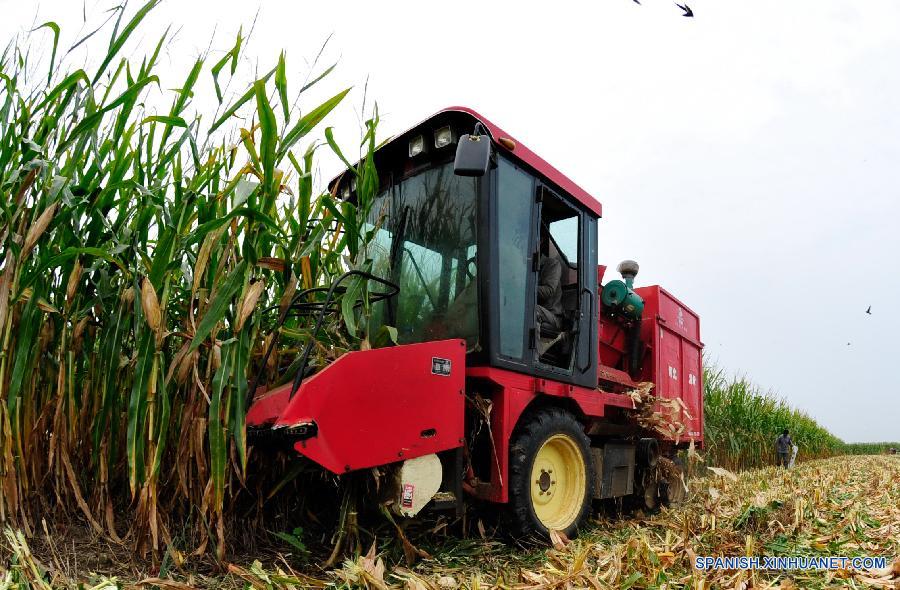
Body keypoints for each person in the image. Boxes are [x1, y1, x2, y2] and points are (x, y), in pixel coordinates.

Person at [536, 231, 563, 331]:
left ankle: (533, 347)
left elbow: (548, 291)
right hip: (537, 309)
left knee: (529, 310)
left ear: (540, 241)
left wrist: (522, 289)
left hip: (552, 315)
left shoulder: (552, 264)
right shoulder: (523, 266)